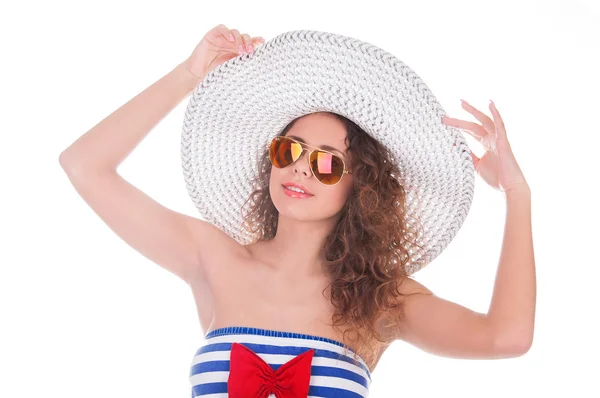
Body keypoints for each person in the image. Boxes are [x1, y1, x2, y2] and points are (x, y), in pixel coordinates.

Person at [59, 24, 535, 397]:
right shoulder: (212, 257)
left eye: (327, 162)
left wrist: (517, 191)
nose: (302, 170)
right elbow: (83, 165)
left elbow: (506, 338)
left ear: (359, 187)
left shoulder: (381, 300)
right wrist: (189, 73)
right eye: (290, 150)